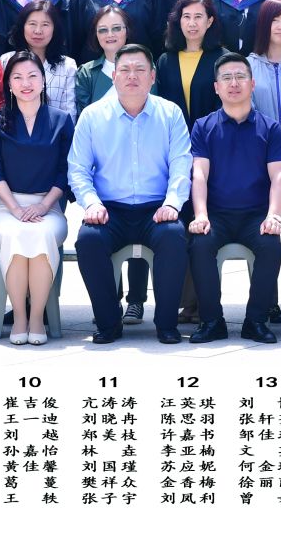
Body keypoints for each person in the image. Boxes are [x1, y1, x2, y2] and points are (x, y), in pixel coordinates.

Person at [67, 45, 193, 344]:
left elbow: (181, 163)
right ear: (114, 76)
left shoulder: (170, 113)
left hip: (156, 208)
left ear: (152, 77)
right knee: (88, 240)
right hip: (109, 209)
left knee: (174, 236)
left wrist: (172, 203)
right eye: (124, 70)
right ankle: (109, 323)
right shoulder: (93, 116)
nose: (131, 76)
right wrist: (91, 203)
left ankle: (166, 324)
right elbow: (78, 169)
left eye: (139, 70)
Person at [186, 52, 281, 344]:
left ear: (252, 84)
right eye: (227, 78)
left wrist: (274, 215)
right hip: (217, 214)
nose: (234, 83)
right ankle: (211, 321)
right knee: (200, 243)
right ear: (216, 87)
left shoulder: (271, 128)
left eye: (240, 77)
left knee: (271, 244)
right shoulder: (203, 126)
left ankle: (255, 321)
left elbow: (279, 176)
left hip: (256, 215)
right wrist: (201, 214)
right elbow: (199, 174)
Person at [0, 52, 73, 345]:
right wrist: (15, 208)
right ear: (8, 84)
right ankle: (20, 316)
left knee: (42, 233)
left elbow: (65, 172)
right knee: (16, 234)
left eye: (33, 76)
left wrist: (43, 206)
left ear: (43, 81)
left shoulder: (61, 120)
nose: (26, 83)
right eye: (18, 77)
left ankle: (36, 317)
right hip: (5, 206)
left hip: (49, 205)